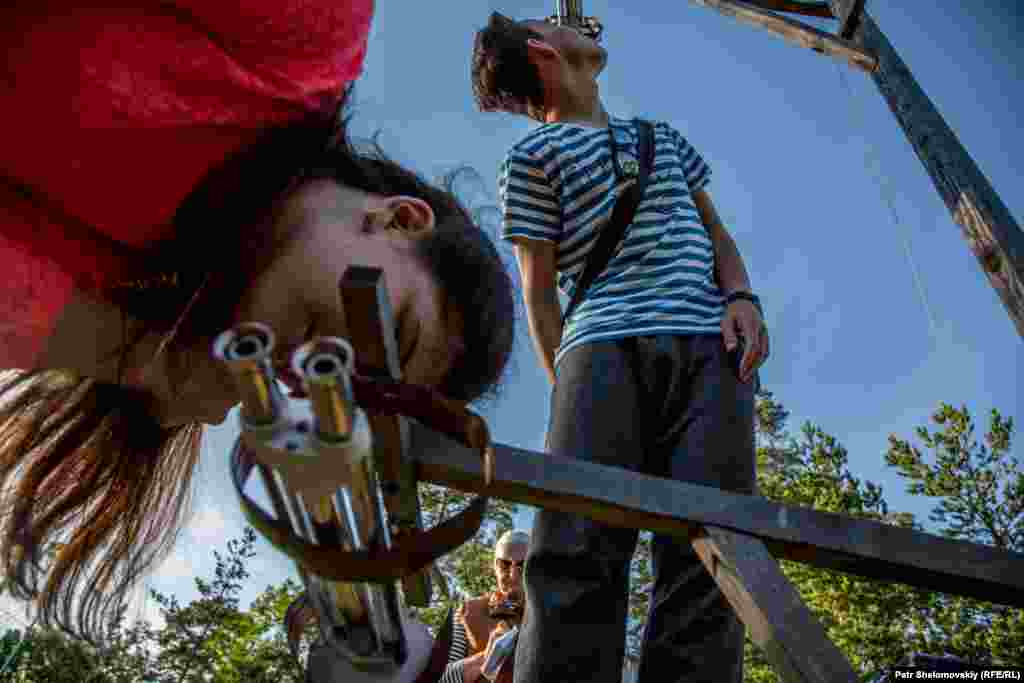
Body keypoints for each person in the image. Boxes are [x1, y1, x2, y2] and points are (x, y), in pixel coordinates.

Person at [0, 2, 516, 652]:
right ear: (403, 220)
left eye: (362, 389)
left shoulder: (139, 313)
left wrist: (135, 355)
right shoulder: (306, 40)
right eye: (392, 333)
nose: (332, 366)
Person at [470, 12, 771, 683]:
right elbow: (540, 294)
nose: (581, 22)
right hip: (599, 348)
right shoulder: (531, 158)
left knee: (714, 548)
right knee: (576, 543)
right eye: (554, 20)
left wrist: (743, 298)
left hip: (707, 347)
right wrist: (567, 393)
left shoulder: (660, 139)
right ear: (546, 50)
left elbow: (715, 231)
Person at [440, 530, 529, 683]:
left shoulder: (553, 618)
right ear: (495, 567)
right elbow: (439, 677)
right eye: (505, 565)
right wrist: (486, 658)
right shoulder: (469, 612)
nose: (513, 575)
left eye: (522, 565)